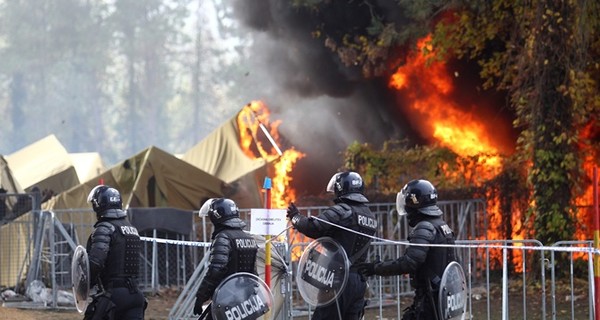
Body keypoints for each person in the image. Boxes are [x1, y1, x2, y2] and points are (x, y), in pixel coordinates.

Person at [357, 179, 456, 320]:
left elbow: (409, 262)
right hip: (442, 296)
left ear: (413, 203)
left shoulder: (425, 227)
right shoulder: (443, 226)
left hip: (430, 299)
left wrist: (375, 268)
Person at [286, 171, 377, 320]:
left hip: (337, 280)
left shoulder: (342, 210)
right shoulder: (370, 215)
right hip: (359, 281)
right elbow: (341, 237)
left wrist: (296, 217)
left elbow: (313, 227)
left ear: (341, 188)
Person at [85, 185, 146, 320]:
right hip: (136, 295)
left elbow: (95, 262)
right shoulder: (131, 229)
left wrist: (87, 284)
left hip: (114, 297)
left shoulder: (105, 228)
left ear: (98, 205)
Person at [193, 198, 259, 319]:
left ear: (216, 217)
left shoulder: (223, 237)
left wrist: (201, 297)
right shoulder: (249, 238)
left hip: (226, 300)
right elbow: (254, 274)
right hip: (245, 301)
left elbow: (215, 270)